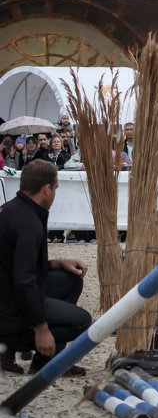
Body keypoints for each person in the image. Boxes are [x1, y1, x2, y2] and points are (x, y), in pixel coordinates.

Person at [0, 160, 90, 376]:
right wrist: (41, 328)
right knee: (82, 322)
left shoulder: (13, 209)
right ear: (47, 189)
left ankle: (45, 361)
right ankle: (13, 341)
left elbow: (14, 264)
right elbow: (24, 279)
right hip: (10, 306)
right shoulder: (28, 222)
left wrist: (56, 263)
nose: (55, 193)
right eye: (56, 187)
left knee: (70, 279)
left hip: (8, 292)